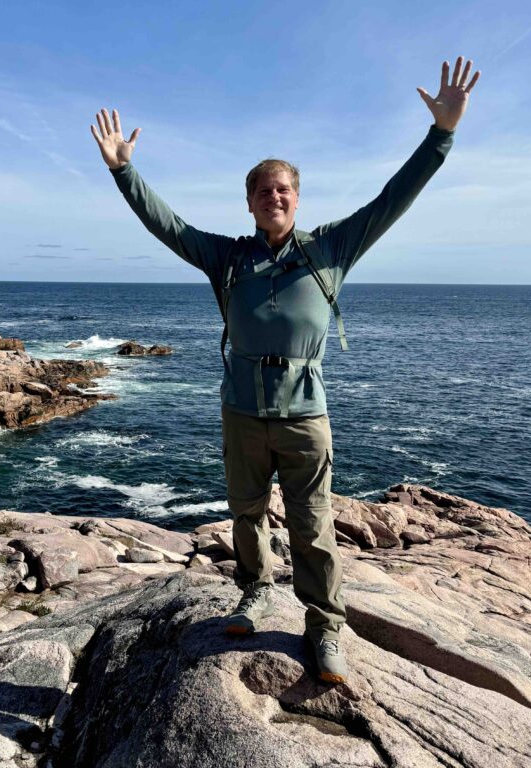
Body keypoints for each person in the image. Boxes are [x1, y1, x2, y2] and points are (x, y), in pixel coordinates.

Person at [90, 58, 480, 684]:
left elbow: (393, 198)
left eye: (284, 190)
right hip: (242, 410)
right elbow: (168, 225)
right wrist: (123, 171)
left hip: (305, 415)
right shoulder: (226, 257)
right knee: (245, 513)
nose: (275, 197)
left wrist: (442, 136)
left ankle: (325, 626)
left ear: (297, 199)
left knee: (313, 525)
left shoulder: (331, 247)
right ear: (249, 202)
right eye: (264, 190)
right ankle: (253, 592)